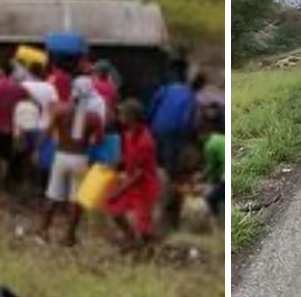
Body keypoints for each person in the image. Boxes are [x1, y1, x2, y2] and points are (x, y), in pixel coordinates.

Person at [38, 77, 104, 246]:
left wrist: (38, 150)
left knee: (52, 195)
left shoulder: (60, 111)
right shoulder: (93, 117)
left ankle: (43, 231)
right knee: (76, 199)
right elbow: (97, 141)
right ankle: (69, 237)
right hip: (80, 158)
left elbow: (47, 133)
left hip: (61, 156)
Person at [104, 99, 161, 249]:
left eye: (122, 114)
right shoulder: (128, 134)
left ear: (132, 117)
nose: (119, 117)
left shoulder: (145, 141)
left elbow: (140, 173)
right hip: (132, 182)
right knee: (114, 210)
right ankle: (132, 239)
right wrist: (114, 164)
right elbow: (127, 155)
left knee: (143, 224)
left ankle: (148, 246)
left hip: (144, 187)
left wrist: (119, 190)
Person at [0, 59, 29, 191]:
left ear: (2, 71)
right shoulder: (19, 88)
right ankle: (1, 187)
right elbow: (32, 103)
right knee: (4, 160)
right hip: (8, 129)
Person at [147, 60, 196, 178]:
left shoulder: (164, 90)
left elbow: (152, 108)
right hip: (174, 130)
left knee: (155, 158)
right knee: (169, 160)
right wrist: (185, 133)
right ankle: (167, 184)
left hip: (157, 127)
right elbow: (187, 117)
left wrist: (149, 125)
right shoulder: (188, 93)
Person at [202, 127, 226, 215]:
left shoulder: (209, 145)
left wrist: (206, 178)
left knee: (210, 198)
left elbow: (211, 168)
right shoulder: (221, 137)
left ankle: (215, 219)